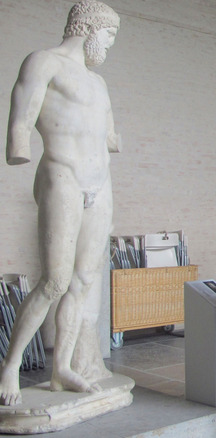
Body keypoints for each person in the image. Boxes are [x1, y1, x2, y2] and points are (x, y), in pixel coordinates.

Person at [1, 0, 121, 406]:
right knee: (54, 281)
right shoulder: (43, 62)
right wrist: (17, 145)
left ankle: (62, 369)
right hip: (62, 175)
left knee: (82, 282)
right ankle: (11, 366)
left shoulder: (98, 83)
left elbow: (109, 136)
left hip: (99, 184)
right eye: (108, 35)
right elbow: (21, 118)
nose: (109, 45)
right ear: (89, 27)